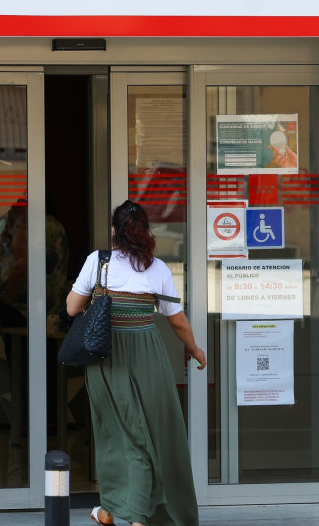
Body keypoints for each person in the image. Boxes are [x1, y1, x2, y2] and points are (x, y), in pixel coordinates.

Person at [66, 200, 206, 526]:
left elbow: (73, 308)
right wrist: (196, 350)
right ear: (145, 232)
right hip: (148, 355)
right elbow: (178, 321)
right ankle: (120, 511)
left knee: (118, 435)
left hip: (106, 356)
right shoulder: (157, 268)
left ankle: (134, 515)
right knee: (152, 433)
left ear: (115, 232)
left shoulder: (98, 263)